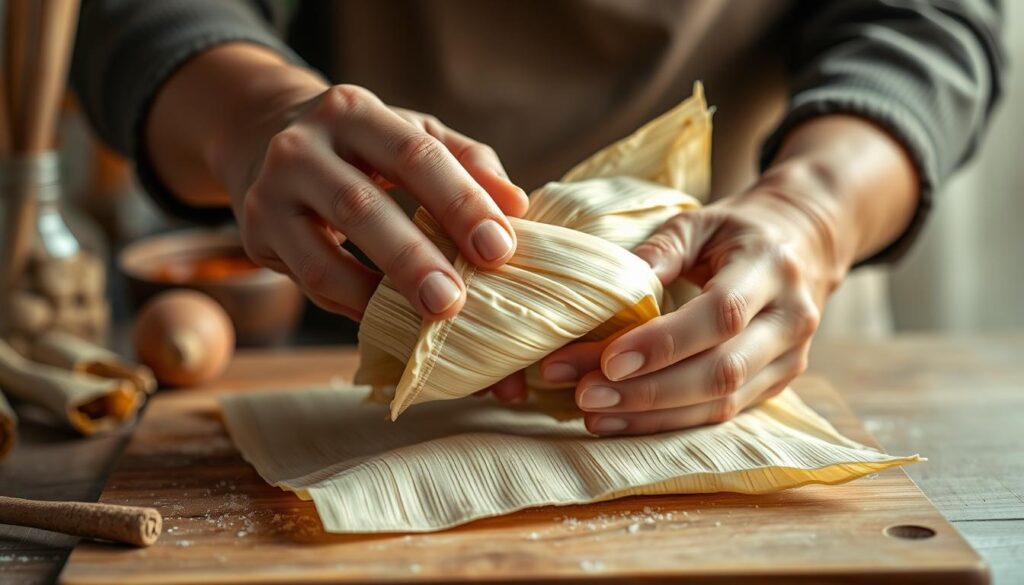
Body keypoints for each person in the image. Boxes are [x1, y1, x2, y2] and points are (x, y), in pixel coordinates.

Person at [72, 1, 1004, 436]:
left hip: (740, 321)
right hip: (348, 305)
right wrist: (254, 117)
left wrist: (815, 208)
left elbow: (928, 21)